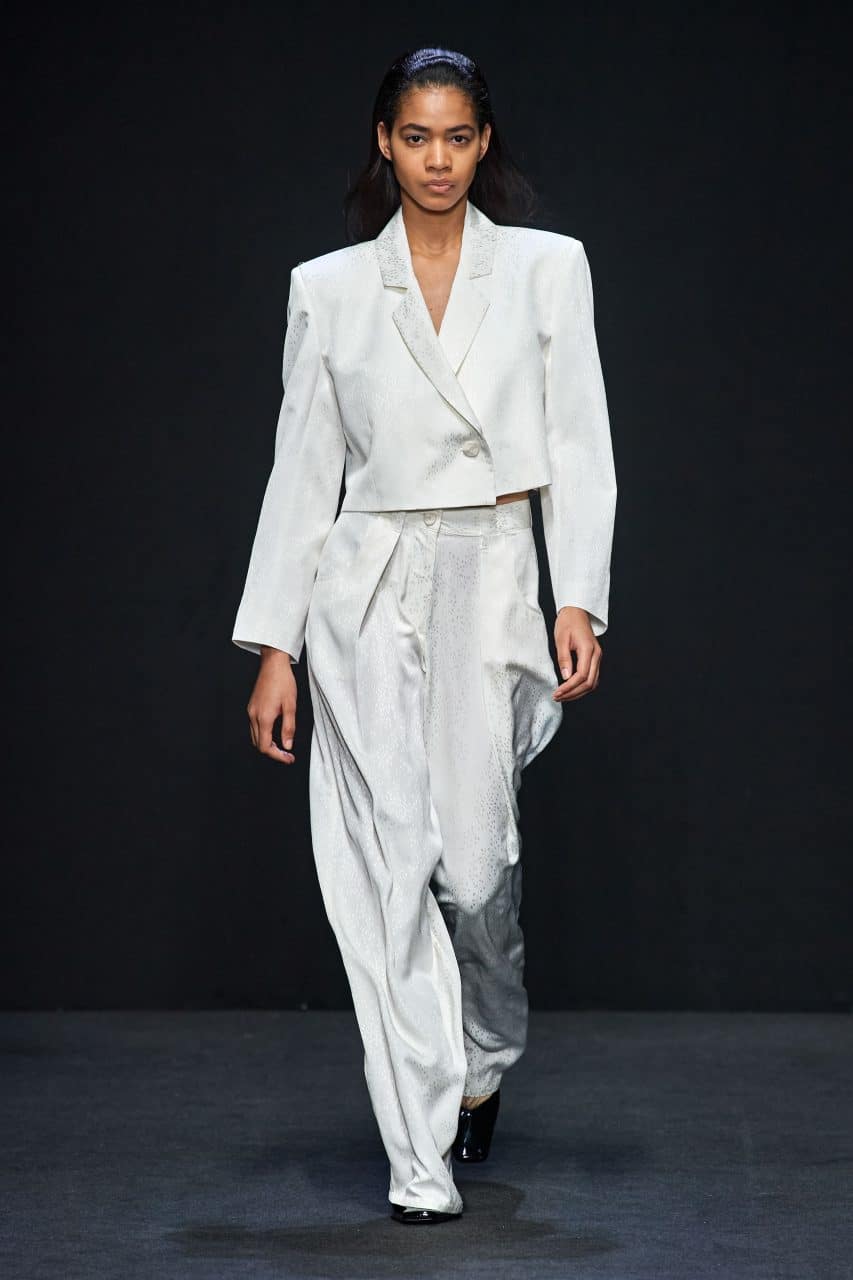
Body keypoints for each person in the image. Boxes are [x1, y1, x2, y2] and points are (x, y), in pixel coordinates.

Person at [231, 47, 617, 1225]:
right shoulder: (330, 288)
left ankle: (483, 1046)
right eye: (415, 136)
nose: (436, 159)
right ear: (384, 142)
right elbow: (303, 469)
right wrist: (277, 645)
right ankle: (419, 1154)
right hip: (365, 584)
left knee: (477, 870)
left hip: (489, 574)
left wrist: (576, 593)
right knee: (389, 869)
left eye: (456, 136)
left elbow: (579, 436)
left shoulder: (547, 269)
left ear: (482, 142)